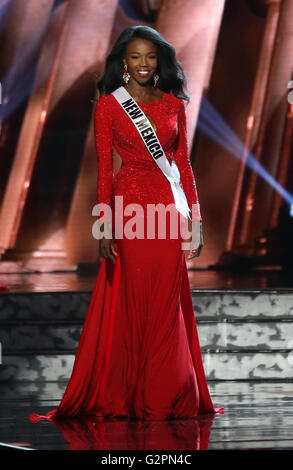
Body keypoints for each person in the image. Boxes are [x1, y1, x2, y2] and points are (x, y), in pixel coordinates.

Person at [30, 25, 222, 423]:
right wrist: (104, 226)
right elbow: (104, 169)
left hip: (169, 212)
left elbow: (183, 165)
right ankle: (130, 394)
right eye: (135, 56)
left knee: (166, 303)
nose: (144, 64)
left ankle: (166, 392)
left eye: (151, 57)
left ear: (160, 61)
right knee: (133, 303)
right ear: (123, 62)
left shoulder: (173, 106)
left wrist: (196, 221)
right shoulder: (109, 106)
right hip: (129, 211)